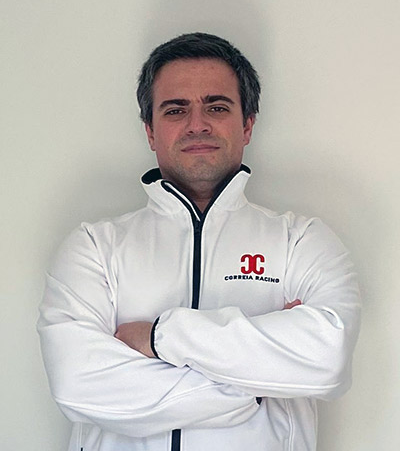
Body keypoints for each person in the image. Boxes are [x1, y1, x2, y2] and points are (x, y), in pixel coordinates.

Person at [38, 32, 361, 451]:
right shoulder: (94, 248)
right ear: (150, 131)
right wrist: (255, 384)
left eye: (217, 106)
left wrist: (158, 338)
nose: (197, 124)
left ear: (247, 124)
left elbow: (328, 358)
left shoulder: (301, 241)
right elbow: (78, 384)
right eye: (176, 110)